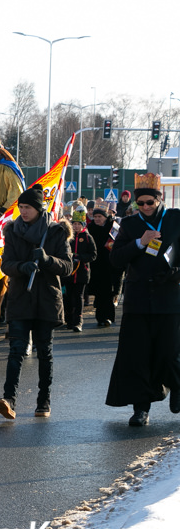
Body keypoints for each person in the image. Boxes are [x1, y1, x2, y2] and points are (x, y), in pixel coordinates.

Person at [107, 172, 180, 426]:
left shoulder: (175, 219)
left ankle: (176, 387)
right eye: (141, 204)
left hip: (169, 298)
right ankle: (141, 409)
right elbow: (115, 259)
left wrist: (176, 273)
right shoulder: (128, 226)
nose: (146, 207)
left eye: (150, 202)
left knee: (170, 353)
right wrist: (140, 242)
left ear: (159, 200)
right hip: (137, 300)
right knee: (137, 356)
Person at [0, 184, 73, 420]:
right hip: (20, 298)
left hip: (47, 300)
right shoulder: (12, 231)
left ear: (39, 209)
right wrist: (21, 267)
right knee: (16, 350)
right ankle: (9, 399)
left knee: (44, 352)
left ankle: (43, 401)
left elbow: (68, 267)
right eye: (20, 207)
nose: (23, 211)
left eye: (27, 207)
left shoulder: (56, 232)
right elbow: (5, 264)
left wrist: (48, 260)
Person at [87, 202, 122, 327]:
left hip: (110, 264)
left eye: (99, 217)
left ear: (105, 217)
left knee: (108, 292)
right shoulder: (90, 228)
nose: (97, 219)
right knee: (99, 292)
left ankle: (108, 317)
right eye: (95, 217)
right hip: (96, 264)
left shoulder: (113, 227)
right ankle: (101, 318)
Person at [62, 208, 96, 332]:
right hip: (69, 272)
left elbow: (93, 254)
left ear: (83, 225)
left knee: (78, 297)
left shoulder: (87, 237)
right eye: (74, 224)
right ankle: (69, 320)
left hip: (81, 272)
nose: (76, 226)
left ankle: (78, 322)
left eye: (78, 224)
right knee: (68, 296)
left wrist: (80, 257)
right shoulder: (67, 238)